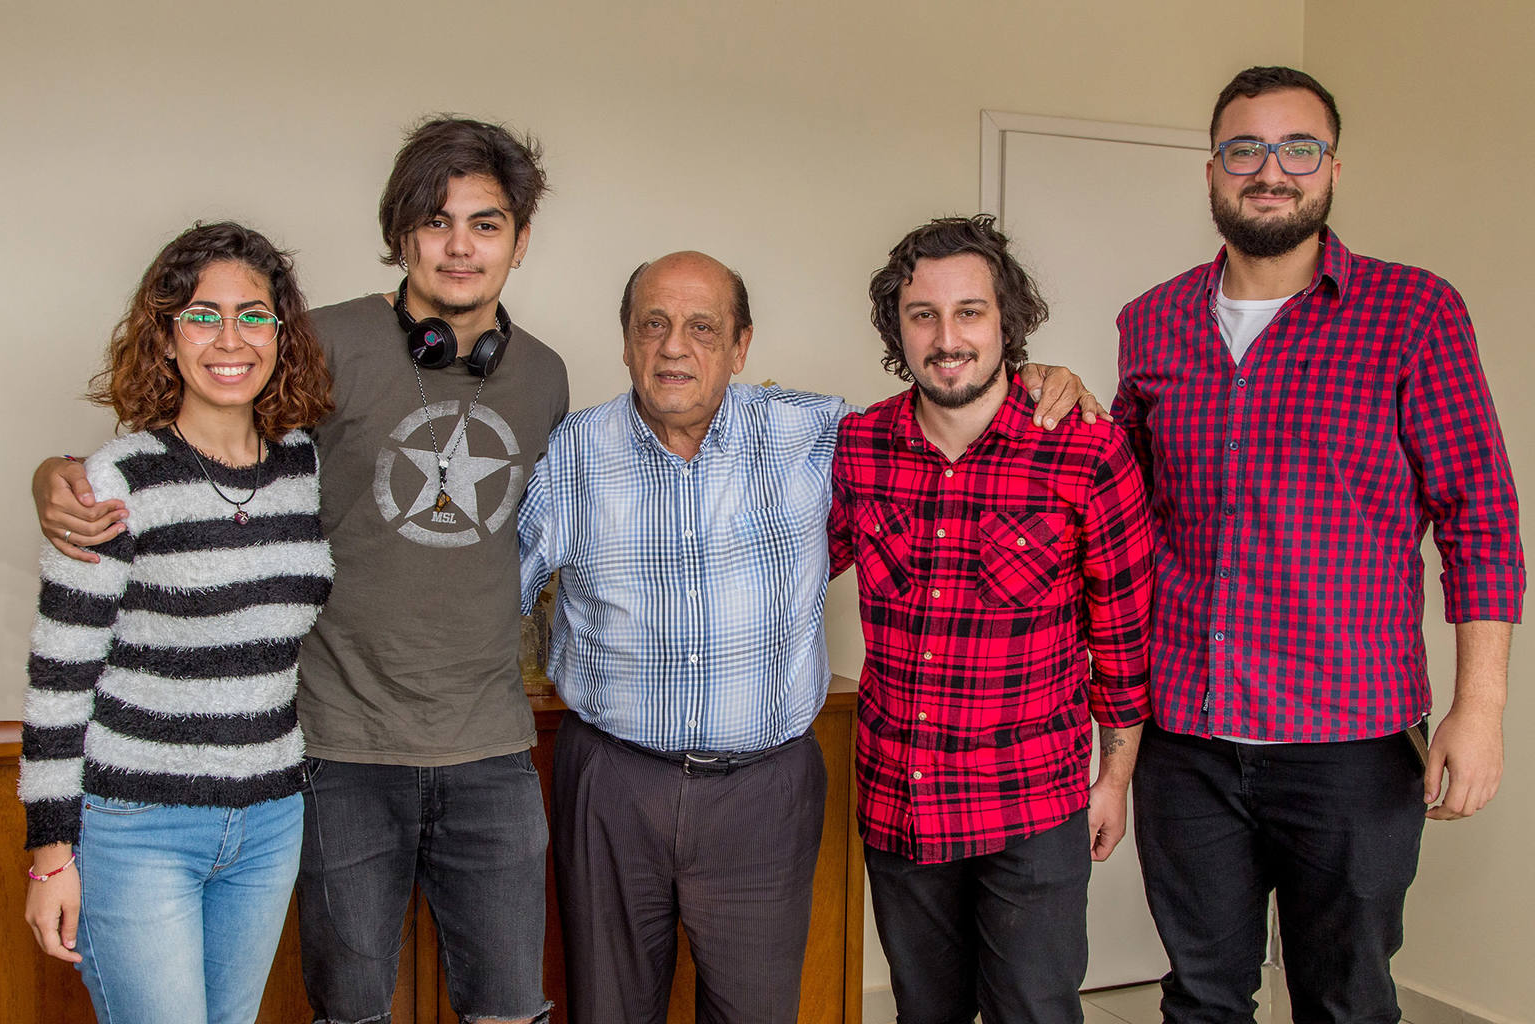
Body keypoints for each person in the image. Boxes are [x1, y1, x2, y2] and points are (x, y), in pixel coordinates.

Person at [32, 118, 567, 1024]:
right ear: (401, 235)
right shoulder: (319, 343)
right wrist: (55, 477)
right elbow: (208, 446)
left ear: (521, 239)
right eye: (435, 222)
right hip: (333, 747)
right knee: (348, 1008)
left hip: (489, 746)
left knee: (512, 1008)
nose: (460, 245)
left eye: (486, 223)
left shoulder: (545, 376)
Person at [517, 250, 1101, 1024]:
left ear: (740, 345)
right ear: (625, 341)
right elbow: (489, 597)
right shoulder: (571, 453)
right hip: (611, 785)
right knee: (608, 1010)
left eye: (702, 327)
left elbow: (941, 413)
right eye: (651, 325)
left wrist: (1032, 378)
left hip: (765, 791)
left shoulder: (820, 435)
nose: (673, 347)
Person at [1113, 66, 1524, 1023]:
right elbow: (1121, 515)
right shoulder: (1152, 321)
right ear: (1211, 170)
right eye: (1244, 148)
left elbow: (1480, 519)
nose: (1272, 170)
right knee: (1202, 994)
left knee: (1345, 999)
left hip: (1350, 744)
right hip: (1187, 738)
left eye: (1299, 148)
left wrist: (1481, 707)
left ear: (1332, 168)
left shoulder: (1415, 314)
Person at [827, 215, 1154, 1024]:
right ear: (894, 328)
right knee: (923, 1013)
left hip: (1030, 809)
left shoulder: (1087, 451)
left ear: (1007, 321)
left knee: (1034, 1013)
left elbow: (1123, 636)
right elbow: (779, 566)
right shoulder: (860, 446)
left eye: (970, 311)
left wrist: (1114, 779)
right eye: (923, 314)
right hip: (900, 803)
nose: (947, 337)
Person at [19, 221, 335, 1024]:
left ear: (280, 334)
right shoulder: (116, 479)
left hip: (270, 821)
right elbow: (61, 679)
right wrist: (51, 855)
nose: (230, 338)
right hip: (139, 826)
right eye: (202, 315)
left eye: (253, 315)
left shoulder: (304, 464)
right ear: (165, 338)